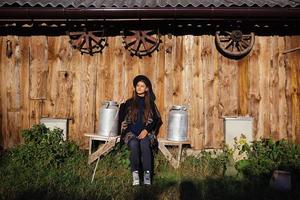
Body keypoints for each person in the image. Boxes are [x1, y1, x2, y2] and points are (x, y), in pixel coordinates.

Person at [119, 75, 162, 186]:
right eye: (137, 85)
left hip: (145, 133)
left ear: (146, 88)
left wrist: (146, 130)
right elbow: (121, 118)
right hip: (130, 132)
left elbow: (156, 119)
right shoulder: (129, 102)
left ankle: (147, 175)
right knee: (133, 144)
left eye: (142, 86)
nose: (139, 88)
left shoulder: (150, 103)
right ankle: (136, 174)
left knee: (145, 143)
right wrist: (121, 106)